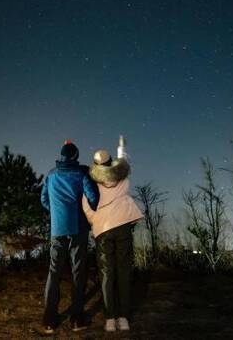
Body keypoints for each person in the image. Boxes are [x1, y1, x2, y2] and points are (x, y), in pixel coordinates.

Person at [82, 135, 144, 332]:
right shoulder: (122, 176)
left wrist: (95, 220)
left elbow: (86, 207)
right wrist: (121, 147)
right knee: (124, 271)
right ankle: (124, 317)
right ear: (110, 163)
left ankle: (110, 318)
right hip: (123, 226)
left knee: (107, 274)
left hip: (103, 229)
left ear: (95, 164)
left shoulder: (91, 182)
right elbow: (125, 161)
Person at [40, 140, 99, 334]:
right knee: (78, 272)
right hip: (77, 228)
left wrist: (56, 213)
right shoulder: (81, 173)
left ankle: (49, 320)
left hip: (57, 230)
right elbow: (93, 198)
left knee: (54, 272)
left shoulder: (51, 175)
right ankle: (76, 319)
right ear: (75, 156)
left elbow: (43, 200)